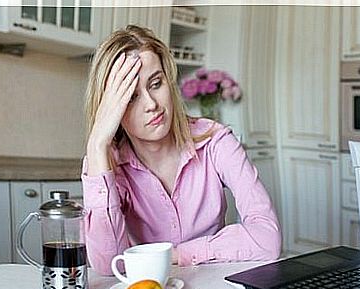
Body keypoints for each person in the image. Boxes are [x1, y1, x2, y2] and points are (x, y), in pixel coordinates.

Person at [82, 25, 281, 276]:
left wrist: (173, 255)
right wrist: (97, 143)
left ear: (169, 80)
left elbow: (267, 238)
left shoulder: (215, 142)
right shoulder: (108, 164)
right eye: (130, 97)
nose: (151, 104)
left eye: (155, 83)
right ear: (111, 109)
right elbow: (108, 265)